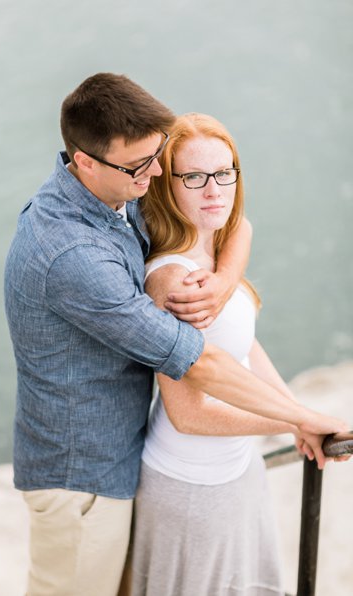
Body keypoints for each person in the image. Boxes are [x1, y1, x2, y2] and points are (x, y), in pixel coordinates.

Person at [2, 73, 347, 596]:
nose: (158, 172)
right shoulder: (77, 256)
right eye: (143, 164)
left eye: (157, 155)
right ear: (85, 160)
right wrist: (299, 417)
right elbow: (196, 365)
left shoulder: (115, 188)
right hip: (81, 475)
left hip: (117, 456)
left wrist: (226, 283)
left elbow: (234, 222)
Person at [131, 112, 348, 594]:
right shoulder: (174, 280)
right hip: (191, 485)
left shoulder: (218, 246)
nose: (215, 191)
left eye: (225, 172)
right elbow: (189, 415)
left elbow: (243, 344)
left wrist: (293, 408)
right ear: (168, 186)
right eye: (194, 177)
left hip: (239, 468)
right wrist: (295, 421)